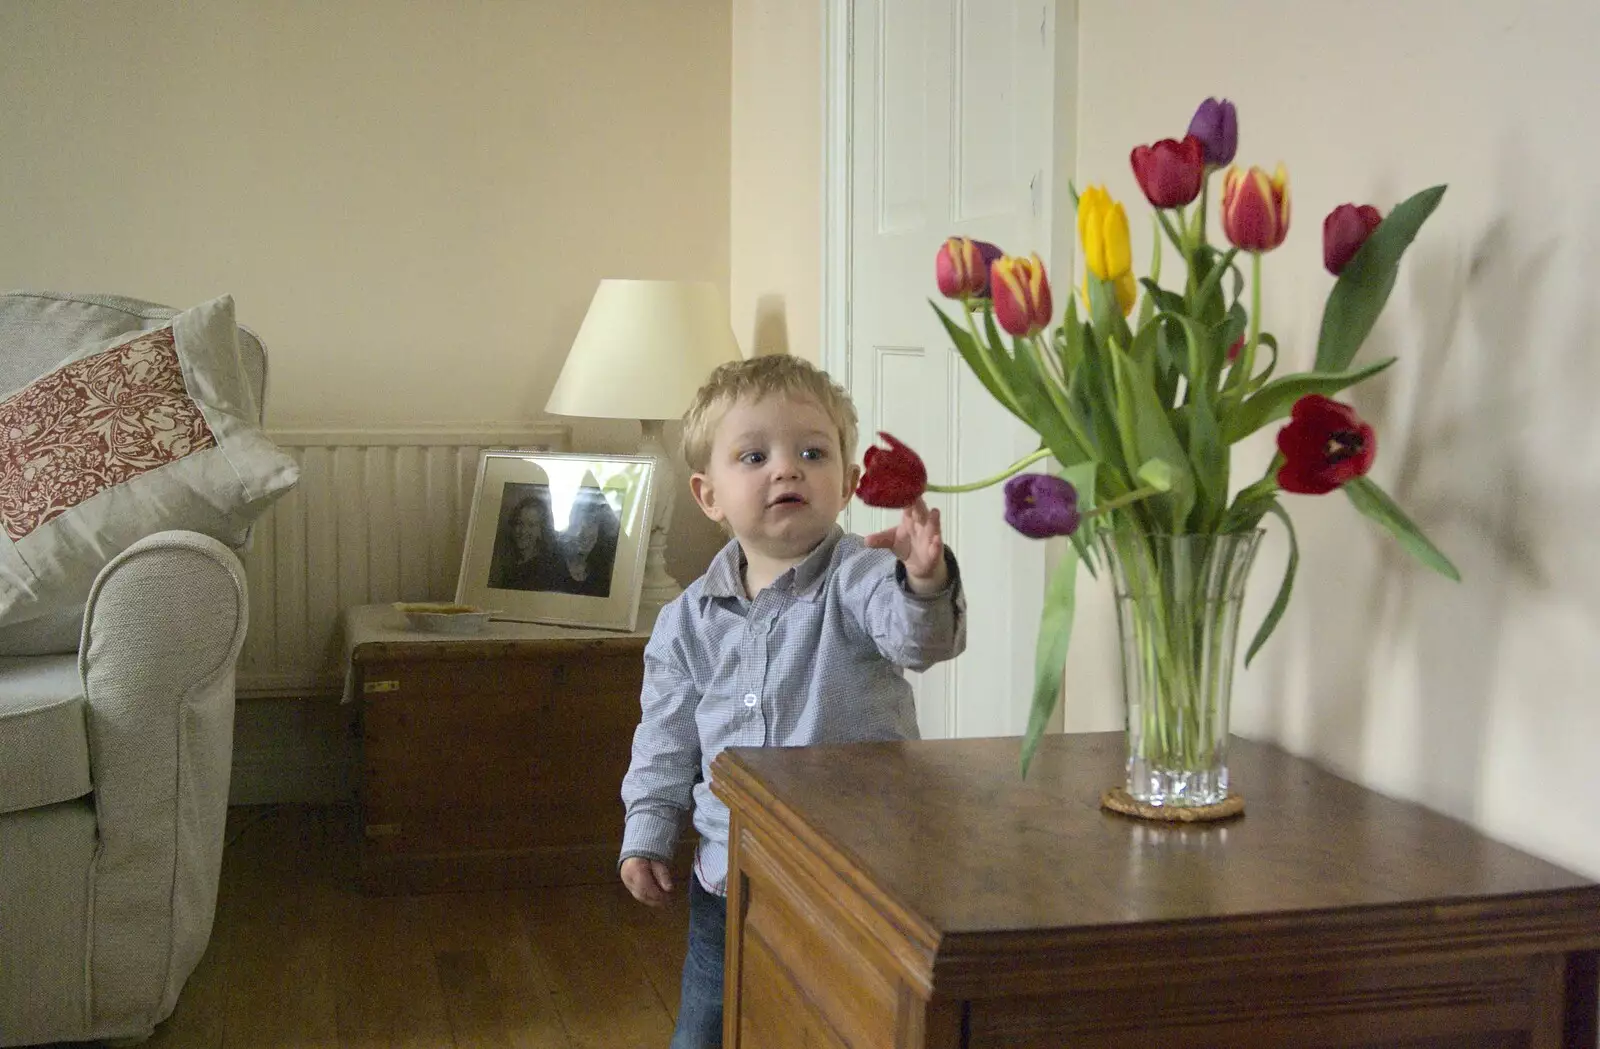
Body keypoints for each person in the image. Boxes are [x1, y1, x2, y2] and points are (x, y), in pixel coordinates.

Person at [618, 355, 966, 1049]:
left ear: (847, 485)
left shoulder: (865, 577)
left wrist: (925, 582)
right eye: (754, 455)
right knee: (705, 1030)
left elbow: (918, 641)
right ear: (708, 493)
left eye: (812, 451)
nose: (787, 468)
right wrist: (647, 827)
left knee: (834, 1026)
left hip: (856, 877)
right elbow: (664, 736)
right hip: (728, 881)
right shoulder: (685, 620)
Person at [548, 486, 620, 598]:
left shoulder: (603, 570)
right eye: (577, 522)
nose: (583, 532)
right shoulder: (550, 564)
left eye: (591, 522)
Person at [487, 486, 561, 591]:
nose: (523, 531)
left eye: (531, 525)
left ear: (541, 530)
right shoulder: (506, 561)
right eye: (520, 523)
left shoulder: (544, 571)